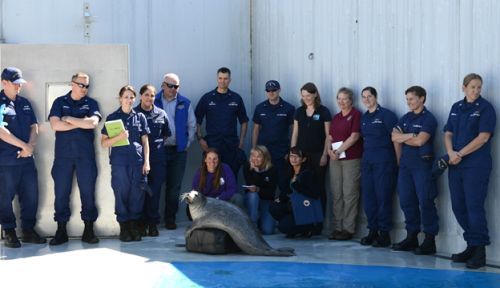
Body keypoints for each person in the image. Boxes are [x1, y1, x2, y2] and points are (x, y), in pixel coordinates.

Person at [444, 73, 496, 269]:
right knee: (459, 206)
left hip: (476, 165)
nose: (476, 90)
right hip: (455, 163)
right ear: (463, 87)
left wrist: (460, 154)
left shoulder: (485, 108)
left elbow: (483, 137)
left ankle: (480, 251)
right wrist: (450, 152)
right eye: (472, 87)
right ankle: (471, 245)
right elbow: (448, 132)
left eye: (479, 87)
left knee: (474, 207)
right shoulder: (456, 107)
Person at [48, 72, 101, 245]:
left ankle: (88, 229)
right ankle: (61, 230)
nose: (84, 88)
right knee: (61, 193)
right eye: (81, 85)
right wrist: (80, 122)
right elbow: (55, 125)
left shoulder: (91, 103)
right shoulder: (59, 102)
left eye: (87, 86)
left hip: (85, 157)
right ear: (72, 84)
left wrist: (69, 118)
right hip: (63, 157)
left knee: (88, 193)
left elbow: (92, 123)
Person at [0, 67, 46, 248]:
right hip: (6, 161)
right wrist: (23, 146)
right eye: (15, 83)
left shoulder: (24, 102)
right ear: (4, 82)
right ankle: (9, 231)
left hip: (27, 159)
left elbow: (34, 126)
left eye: (20, 83)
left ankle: (28, 230)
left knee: (31, 196)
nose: (19, 86)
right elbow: (1, 131)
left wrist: (31, 146)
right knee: (4, 198)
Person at [391, 86, 438, 255]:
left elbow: (420, 142)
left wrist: (406, 137)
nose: (409, 102)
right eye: (407, 99)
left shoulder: (429, 119)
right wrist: (412, 135)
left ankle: (429, 240)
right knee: (406, 200)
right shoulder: (405, 118)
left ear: (422, 98)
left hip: (422, 165)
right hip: (405, 165)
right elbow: (394, 137)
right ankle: (412, 236)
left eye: (411, 99)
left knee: (425, 201)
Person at [101, 85, 150, 242]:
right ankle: (124, 228)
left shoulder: (140, 117)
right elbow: (104, 143)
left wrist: (147, 162)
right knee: (121, 194)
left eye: (131, 97)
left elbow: (145, 142)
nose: (129, 100)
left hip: (137, 162)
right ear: (120, 98)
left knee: (137, 195)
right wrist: (120, 136)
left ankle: (134, 226)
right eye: (126, 97)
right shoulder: (112, 118)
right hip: (119, 163)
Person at [154, 73, 196, 230]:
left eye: (176, 86)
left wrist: (187, 143)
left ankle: (170, 218)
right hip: (159, 150)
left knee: (174, 187)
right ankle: (153, 219)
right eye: (170, 86)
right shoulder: (154, 100)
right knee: (156, 184)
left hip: (178, 151)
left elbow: (192, 125)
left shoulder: (184, 103)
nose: (173, 89)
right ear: (163, 85)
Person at [358, 87, 398, 247]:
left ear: (375, 97)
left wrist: (397, 161)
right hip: (368, 161)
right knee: (369, 197)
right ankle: (372, 230)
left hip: (384, 161)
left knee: (383, 197)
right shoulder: (364, 118)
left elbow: (396, 138)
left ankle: (384, 233)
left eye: (369, 96)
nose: (367, 100)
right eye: (364, 97)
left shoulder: (387, 115)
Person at [195, 67, 249, 179]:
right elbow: (196, 120)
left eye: (225, 78)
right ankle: (211, 197)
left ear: (230, 80)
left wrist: (242, 141)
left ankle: (229, 196)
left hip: (231, 145)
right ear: (217, 79)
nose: (222, 81)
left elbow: (244, 121)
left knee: (230, 176)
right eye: (220, 78)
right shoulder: (207, 98)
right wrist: (200, 139)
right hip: (212, 145)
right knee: (211, 177)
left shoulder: (236, 98)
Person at [327, 87, 362, 241]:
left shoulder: (356, 115)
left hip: (351, 159)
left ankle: (348, 229)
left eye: (344, 99)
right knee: (336, 194)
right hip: (335, 159)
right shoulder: (336, 117)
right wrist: (329, 151)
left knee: (349, 194)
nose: (341, 102)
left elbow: (354, 137)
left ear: (351, 100)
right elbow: (329, 137)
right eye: (339, 99)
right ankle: (337, 227)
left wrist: (339, 150)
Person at [136, 84, 170, 236]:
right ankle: (141, 224)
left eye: (152, 95)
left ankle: (153, 224)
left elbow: (165, 134)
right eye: (146, 95)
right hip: (138, 159)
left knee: (154, 192)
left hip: (157, 159)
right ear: (141, 96)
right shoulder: (134, 113)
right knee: (140, 192)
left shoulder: (161, 114)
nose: (150, 98)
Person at [290, 82, 331, 211]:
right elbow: (295, 134)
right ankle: (305, 220)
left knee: (318, 186)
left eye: (308, 95)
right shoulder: (299, 111)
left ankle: (319, 221)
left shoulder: (323, 111)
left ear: (315, 94)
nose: (306, 98)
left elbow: (328, 135)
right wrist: (293, 153)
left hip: (318, 154)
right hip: (302, 156)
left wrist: (325, 154)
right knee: (301, 185)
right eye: (303, 96)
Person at [252, 80, 295, 197]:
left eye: (274, 90)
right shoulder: (260, 108)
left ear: (279, 90)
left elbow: (294, 131)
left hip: (281, 152)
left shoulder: (289, 108)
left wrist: (290, 151)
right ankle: (264, 211)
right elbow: (256, 129)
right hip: (263, 152)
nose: (271, 93)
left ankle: (283, 210)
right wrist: (254, 149)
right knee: (263, 182)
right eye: (268, 90)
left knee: (282, 183)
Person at [269, 147, 322, 238]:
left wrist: (298, 187)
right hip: (292, 206)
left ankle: (307, 227)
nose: (293, 159)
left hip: (304, 209)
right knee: (274, 207)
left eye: (296, 157)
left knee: (284, 226)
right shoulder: (289, 172)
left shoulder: (308, 174)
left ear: (303, 159)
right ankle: (294, 227)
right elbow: (286, 191)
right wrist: (281, 198)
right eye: (291, 156)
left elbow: (315, 194)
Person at [243, 145, 278, 235]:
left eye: (259, 156)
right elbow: (251, 185)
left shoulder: (272, 169)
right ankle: (252, 227)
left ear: (265, 158)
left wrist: (259, 189)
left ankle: (262, 220)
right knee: (253, 195)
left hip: (266, 200)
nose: (255, 159)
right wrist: (255, 171)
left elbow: (271, 192)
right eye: (253, 156)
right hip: (252, 200)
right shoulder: (247, 166)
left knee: (268, 231)